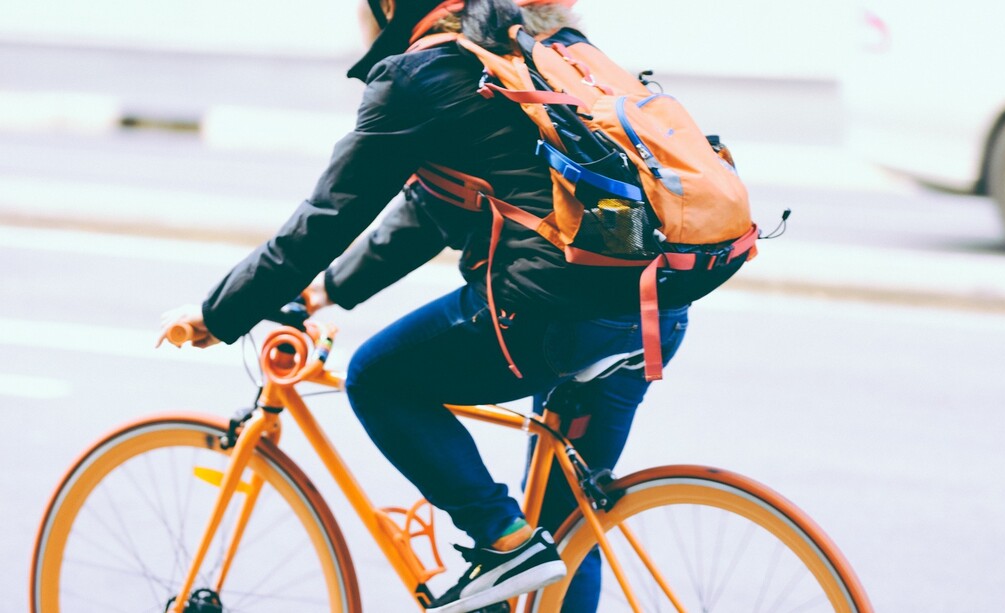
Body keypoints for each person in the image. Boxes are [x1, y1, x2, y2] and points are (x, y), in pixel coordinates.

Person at [157, 1, 749, 611]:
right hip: (652, 309)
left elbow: (324, 220)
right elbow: (433, 210)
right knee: (569, 532)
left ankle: (500, 541)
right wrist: (324, 292)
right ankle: (520, 558)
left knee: (379, 377)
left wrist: (219, 312)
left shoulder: (415, 78)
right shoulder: (531, 46)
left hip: (552, 320)